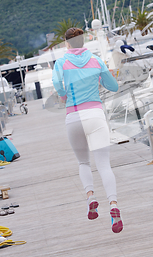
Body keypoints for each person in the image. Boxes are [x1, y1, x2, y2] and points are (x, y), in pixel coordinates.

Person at [52, 27, 122, 233]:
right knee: (104, 165)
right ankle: (114, 205)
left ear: (66, 44)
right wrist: (99, 78)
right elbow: (114, 87)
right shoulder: (96, 60)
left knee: (83, 162)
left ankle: (91, 197)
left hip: (73, 117)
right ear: (84, 42)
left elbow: (57, 83)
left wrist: (64, 94)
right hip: (95, 115)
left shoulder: (61, 62)